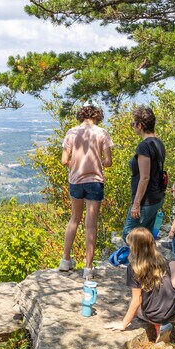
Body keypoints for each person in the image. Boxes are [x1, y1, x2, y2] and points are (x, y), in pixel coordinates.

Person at [59, 99, 113, 279]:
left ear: (82, 113)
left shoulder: (71, 133)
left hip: (76, 180)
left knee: (74, 218)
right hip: (95, 180)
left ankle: (65, 260)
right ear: (96, 113)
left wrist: (76, 164)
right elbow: (108, 161)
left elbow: (64, 160)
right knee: (91, 224)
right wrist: (98, 161)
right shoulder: (102, 133)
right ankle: (88, 268)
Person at [104, 227, 175, 340]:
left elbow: (137, 300)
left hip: (155, 314)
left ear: (135, 248)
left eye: (130, 246)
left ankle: (159, 326)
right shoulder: (161, 259)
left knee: (134, 306)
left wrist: (123, 324)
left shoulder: (134, 268)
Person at [121, 106, 166, 241]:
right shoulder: (159, 143)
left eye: (133, 123)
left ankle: (138, 261)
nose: (133, 126)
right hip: (156, 197)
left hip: (145, 200)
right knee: (146, 235)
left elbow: (144, 177)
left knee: (128, 235)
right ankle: (146, 261)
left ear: (140, 125)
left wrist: (136, 204)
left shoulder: (144, 146)